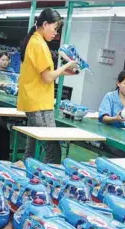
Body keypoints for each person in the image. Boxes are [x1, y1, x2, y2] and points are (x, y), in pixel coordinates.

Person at [18, 8, 78, 164]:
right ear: (45, 24)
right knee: (53, 151)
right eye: (55, 28)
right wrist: (66, 66)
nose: (56, 33)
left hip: (33, 102)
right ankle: (48, 184)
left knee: (31, 149)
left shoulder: (34, 40)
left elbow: (44, 73)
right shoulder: (39, 44)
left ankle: (27, 178)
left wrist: (65, 72)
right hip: (39, 105)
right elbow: (47, 78)